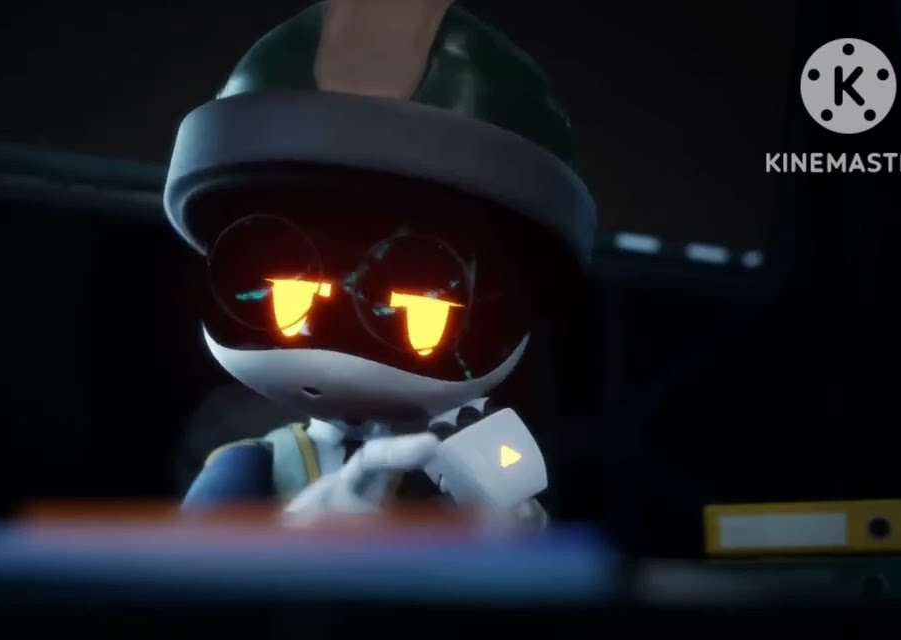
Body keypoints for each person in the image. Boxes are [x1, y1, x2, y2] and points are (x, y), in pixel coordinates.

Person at [163, 1, 596, 517]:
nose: (340, 301)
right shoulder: (256, 467)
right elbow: (182, 565)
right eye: (289, 294)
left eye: (421, 306)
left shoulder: (480, 470)